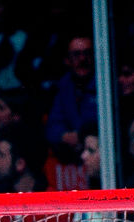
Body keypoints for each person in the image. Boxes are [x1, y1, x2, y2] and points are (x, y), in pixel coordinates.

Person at [44, 35, 98, 166]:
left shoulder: (104, 83)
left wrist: (81, 135)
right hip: (74, 159)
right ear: (67, 60)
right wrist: (65, 136)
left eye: (87, 53)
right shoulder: (64, 86)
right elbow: (52, 127)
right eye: (76, 54)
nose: (82, 59)